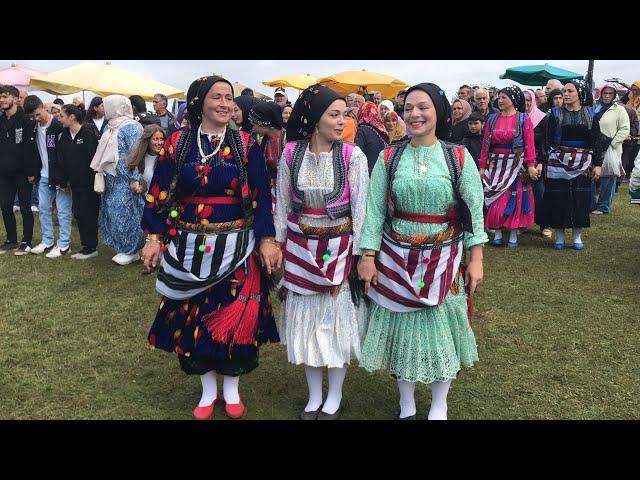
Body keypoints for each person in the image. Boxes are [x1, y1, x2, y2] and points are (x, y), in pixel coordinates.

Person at [140, 75, 280, 420]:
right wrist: (154, 238)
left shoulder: (247, 144)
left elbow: (262, 196)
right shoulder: (178, 142)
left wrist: (266, 238)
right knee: (194, 318)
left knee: (231, 318)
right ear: (199, 102)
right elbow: (159, 191)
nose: (224, 104)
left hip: (238, 248)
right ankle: (207, 391)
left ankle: (231, 389)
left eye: (228, 98)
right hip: (188, 247)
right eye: (216, 97)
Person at [357, 82, 487, 420]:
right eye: (409, 107)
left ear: (438, 111)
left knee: (440, 332)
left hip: (445, 258)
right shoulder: (389, 156)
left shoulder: (458, 156)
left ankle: (439, 403)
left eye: (423, 107)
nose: (414, 114)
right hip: (395, 258)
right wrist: (368, 257)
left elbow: (474, 211)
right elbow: (374, 211)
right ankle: (407, 402)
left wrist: (476, 259)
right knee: (401, 331)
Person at [275, 84, 369, 420]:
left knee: (334, 324)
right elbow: (283, 202)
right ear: (315, 119)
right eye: (334, 114)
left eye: (344, 114)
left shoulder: (352, 156)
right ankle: (315, 396)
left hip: (339, 249)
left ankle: (335, 397)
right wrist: (278, 244)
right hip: (301, 248)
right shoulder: (290, 154)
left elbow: (361, 210)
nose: (342, 121)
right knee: (307, 324)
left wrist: (361, 255)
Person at [541, 79, 604, 250]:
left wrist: (598, 164)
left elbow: (597, 141)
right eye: (564, 91)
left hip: (583, 161)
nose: (566, 94)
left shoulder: (592, 114)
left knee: (580, 198)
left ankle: (577, 236)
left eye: (570, 91)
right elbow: (546, 139)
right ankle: (559, 236)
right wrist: (544, 161)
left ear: (580, 94)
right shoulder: (554, 114)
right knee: (558, 197)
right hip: (558, 161)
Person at [479, 86, 538, 247]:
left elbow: (529, 144)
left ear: (513, 99)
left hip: (516, 164)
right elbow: (485, 144)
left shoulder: (523, 119)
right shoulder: (492, 119)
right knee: (495, 198)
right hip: (496, 164)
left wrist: (531, 165)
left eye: (504, 97)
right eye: (499, 97)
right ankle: (497, 232)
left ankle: (513, 234)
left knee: (515, 198)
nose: (500, 100)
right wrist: (482, 166)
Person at [90, 95, 145, 265]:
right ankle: (123, 247)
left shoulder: (131, 127)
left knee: (125, 213)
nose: (104, 109)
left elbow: (137, 153)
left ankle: (132, 249)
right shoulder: (110, 126)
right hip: (111, 180)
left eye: (106, 106)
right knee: (112, 213)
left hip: (126, 180)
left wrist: (136, 178)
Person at [22, 95, 71, 258]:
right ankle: (47, 240)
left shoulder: (58, 125)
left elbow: (64, 154)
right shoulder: (33, 126)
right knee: (43, 208)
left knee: (63, 211)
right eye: (32, 116)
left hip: (59, 175)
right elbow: (34, 151)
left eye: (38, 114)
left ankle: (64, 244)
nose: (36, 119)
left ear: (43, 106)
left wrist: (64, 176)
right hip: (43, 175)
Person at [57, 104, 101, 259]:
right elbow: (61, 160)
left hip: (89, 184)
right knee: (78, 213)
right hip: (74, 184)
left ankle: (91, 247)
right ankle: (86, 245)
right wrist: (64, 180)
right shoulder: (64, 136)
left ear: (72, 117)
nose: (59, 118)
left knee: (88, 214)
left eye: (62, 115)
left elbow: (94, 160)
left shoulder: (88, 134)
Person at [0, 85, 39, 255]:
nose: (2, 100)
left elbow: (30, 148)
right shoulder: (1, 120)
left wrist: (31, 172)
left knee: (24, 207)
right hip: (4, 172)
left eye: (6, 96)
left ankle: (27, 241)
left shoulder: (26, 120)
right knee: (6, 206)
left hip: (23, 172)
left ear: (16, 99)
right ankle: (11, 240)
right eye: (1, 97)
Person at [590, 83, 630, 214]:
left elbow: (624, 129)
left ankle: (603, 206)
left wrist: (613, 143)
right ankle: (591, 204)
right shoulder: (595, 107)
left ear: (614, 95)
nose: (607, 96)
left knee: (608, 176)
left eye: (610, 93)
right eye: (605, 93)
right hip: (594, 146)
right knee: (591, 174)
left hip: (610, 147)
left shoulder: (619, 109)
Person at [248, 101, 285, 211]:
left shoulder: (287, 140)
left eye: (254, 123)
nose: (253, 128)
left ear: (264, 122)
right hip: (273, 193)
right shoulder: (264, 140)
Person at [523, 89, 550, 237]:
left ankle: (544, 225)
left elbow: (545, 142)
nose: (526, 103)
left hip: (537, 161)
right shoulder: (518, 117)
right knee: (522, 193)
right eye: (524, 100)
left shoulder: (542, 118)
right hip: (520, 161)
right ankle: (523, 222)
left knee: (539, 193)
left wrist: (541, 162)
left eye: (529, 100)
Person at [355, 101, 389, 174]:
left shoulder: (361, 130)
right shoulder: (382, 128)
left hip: (369, 171)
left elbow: (357, 154)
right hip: (382, 169)